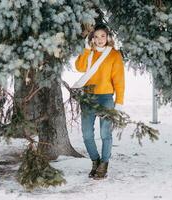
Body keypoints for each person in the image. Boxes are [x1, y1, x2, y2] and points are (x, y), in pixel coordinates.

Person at [73, 24, 125, 179]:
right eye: (96, 36)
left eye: (103, 36)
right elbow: (79, 67)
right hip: (87, 97)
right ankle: (95, 161)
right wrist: (86, 49)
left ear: (108, 37)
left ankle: (104, 164)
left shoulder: (114, 55)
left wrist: (119, 101)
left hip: (106, 98)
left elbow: (119, 80)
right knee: (87, 134)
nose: (100, 39)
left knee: (105, 133)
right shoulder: (90, 52)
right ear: (92, 39)